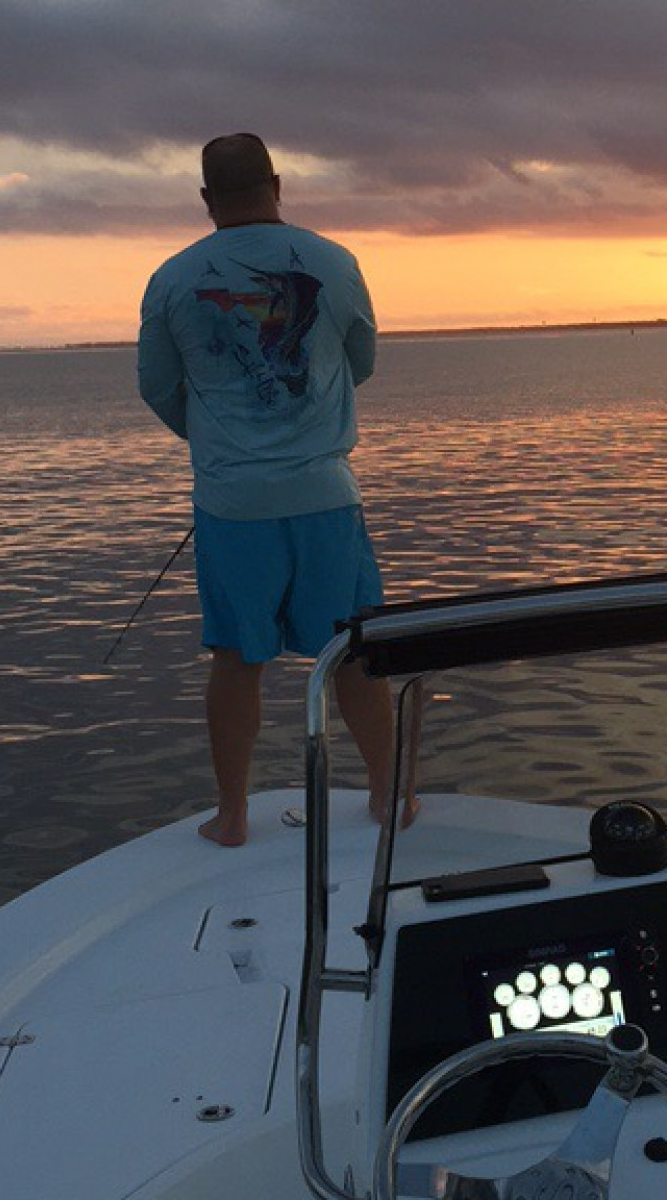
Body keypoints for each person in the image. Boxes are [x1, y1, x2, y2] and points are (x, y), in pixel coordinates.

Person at [137, 132, 416, 845]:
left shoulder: (171, 279)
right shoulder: (334, 263)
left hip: (232, 506)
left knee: (237, 657)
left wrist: (223, 448)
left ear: (205, 201)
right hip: (325, 494)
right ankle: (388, 796)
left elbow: (158, 389)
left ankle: (232, 816)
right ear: (278, 183)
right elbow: (362, 362)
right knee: (350, 647)